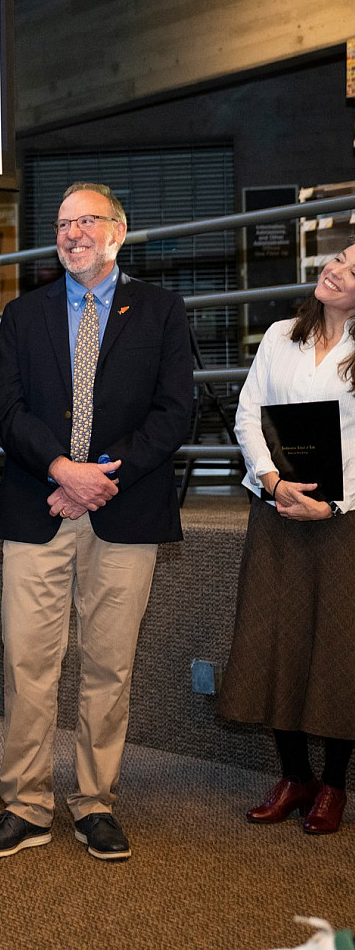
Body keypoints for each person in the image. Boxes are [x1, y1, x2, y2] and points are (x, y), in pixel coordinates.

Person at [0, 182, 193, 862]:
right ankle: (27, 803)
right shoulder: (21, 311)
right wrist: (64, 470)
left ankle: (95, 802)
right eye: (63, 224)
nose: (71, 233)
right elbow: (7, 412)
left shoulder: (160, 310)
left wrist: (100, 477)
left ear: (118, 231)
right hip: (40, 505)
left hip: (125, 510)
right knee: (29, 664)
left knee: (108, 666)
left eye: (86, 221)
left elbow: (175, 412)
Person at [218, 239, 355, 834]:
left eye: (354, 268)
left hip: (343, 522)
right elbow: (249, 413)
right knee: (274, 640)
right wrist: (273, 483)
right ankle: (295, 775)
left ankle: (334, 785)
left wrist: (333, 505)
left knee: (336, 649)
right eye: (339, 257)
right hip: (276, 510)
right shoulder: (279, 335)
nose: (336, 268)